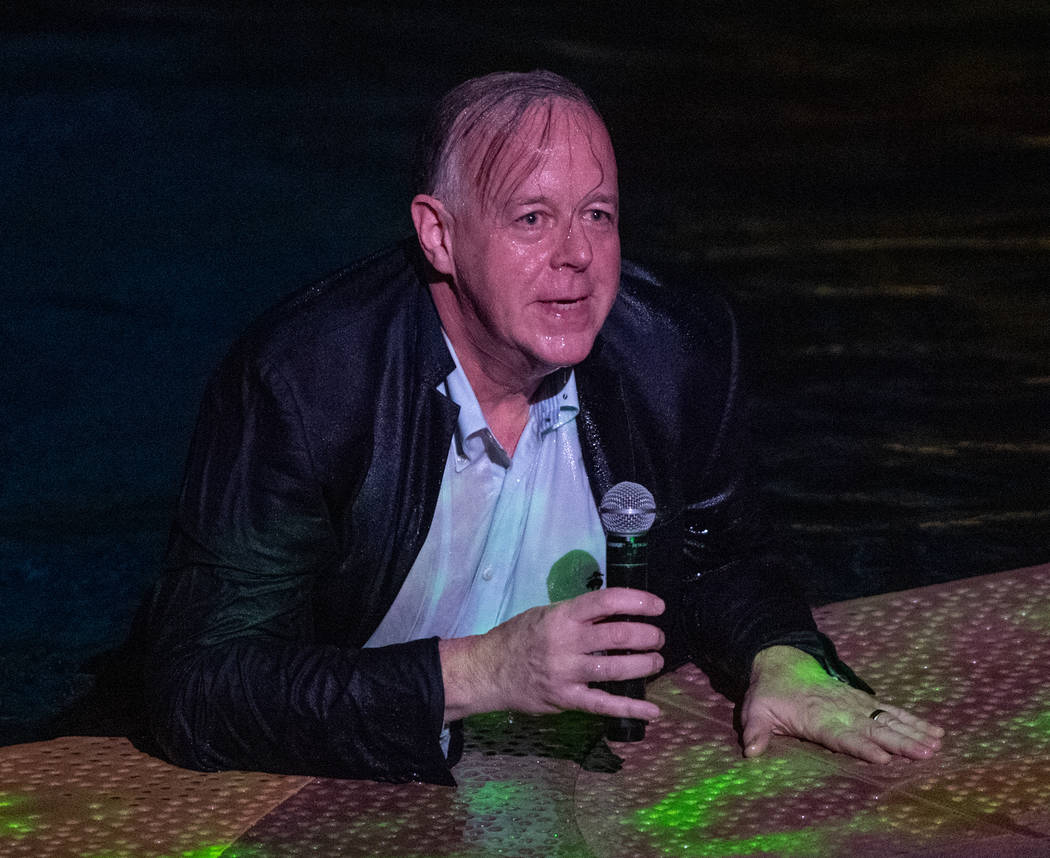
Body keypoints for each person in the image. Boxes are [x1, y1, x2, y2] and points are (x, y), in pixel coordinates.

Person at [140, 70, 943, 784]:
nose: (577, 256)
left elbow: (718, 556)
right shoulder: (306, 382)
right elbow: (198, 686)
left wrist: (785, 658)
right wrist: (483, 672)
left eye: (597, 214)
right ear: (439, 233)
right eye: (532, 218)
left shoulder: (675, 352)